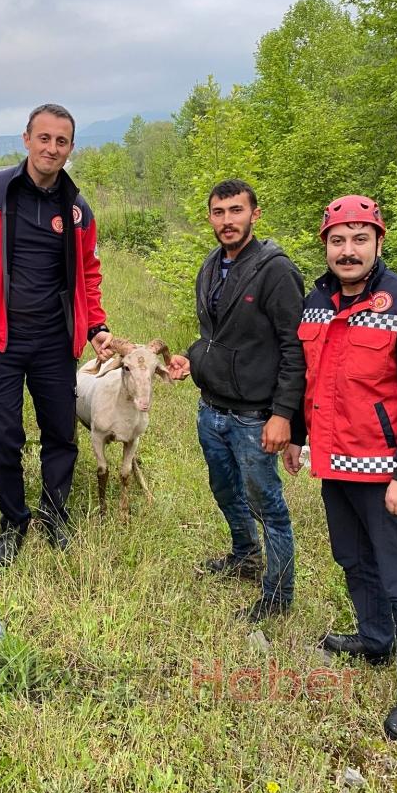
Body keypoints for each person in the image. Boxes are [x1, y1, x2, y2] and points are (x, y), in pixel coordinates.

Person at [284, 195, 397, 742]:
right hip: (335, 466)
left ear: (379, 241)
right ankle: (375, 640)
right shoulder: (316, 303)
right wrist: (298, 436)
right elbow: (309, 377)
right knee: (353, 561)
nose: (348, 250)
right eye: (338, 240)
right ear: (325, 246)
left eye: (359, 238)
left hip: (386, 476)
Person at [0, 103, 113, 566]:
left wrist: (95, 324)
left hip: (55, 341)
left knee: (60, 432)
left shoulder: (77, 209)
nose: (52, 148)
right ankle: (13, 519)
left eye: (61, 141)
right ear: (26, 139)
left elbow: (89, 272)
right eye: (44, 138)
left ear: (71, 147)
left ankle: (55, 513)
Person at [168, 179, 304, 622]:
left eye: (236, 211)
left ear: (254, 215)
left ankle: (277, 597)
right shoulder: (212, 264)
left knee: (269, 507)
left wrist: (283, 415)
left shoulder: (276, 271)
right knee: (225, 490)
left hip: (253, 416)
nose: (227, 220)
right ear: (210, 217)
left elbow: (294, 349)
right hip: (212, 408)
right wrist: (192, 358)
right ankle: (245, 556)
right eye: (219, 212)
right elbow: (216, 336)